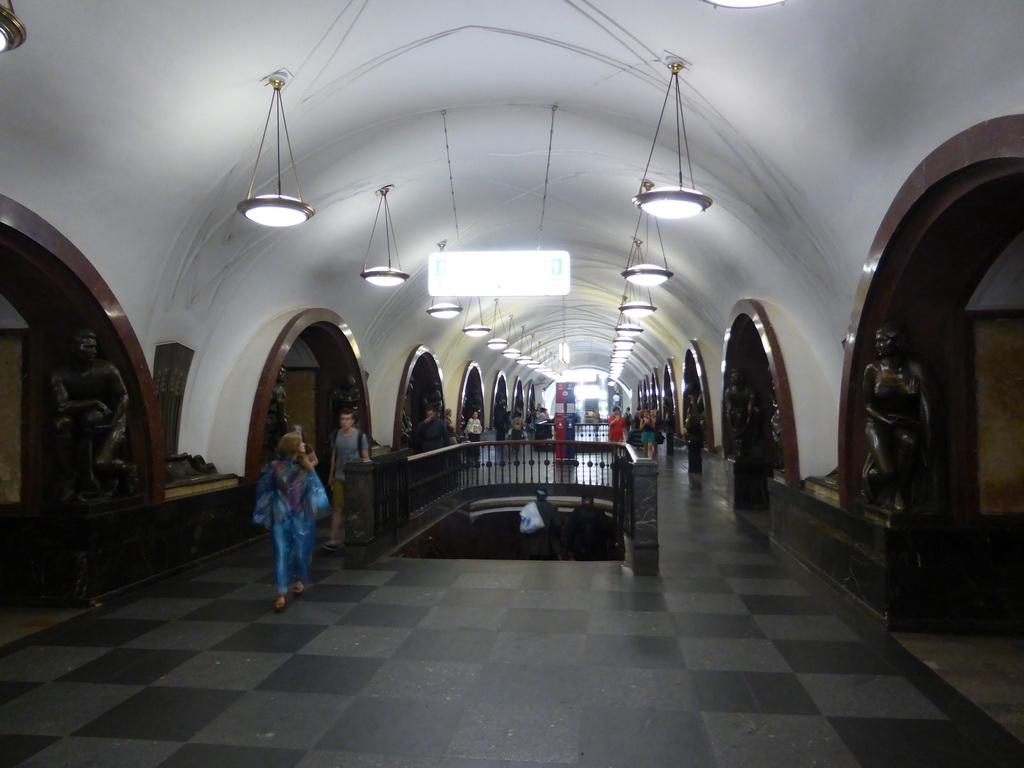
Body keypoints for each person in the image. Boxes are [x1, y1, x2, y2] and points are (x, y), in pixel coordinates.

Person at [51, 328, 138, 501]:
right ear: (74, 348)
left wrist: (112, 420)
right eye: (88, 347)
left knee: (101, 463)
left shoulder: (106, 369)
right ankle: (69, 477)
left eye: (94, 347)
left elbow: (123, 396)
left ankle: (128, 469)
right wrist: (93, 402)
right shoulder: (60, 374)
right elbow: (61, 405)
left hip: (110, 417)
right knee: (60, 424)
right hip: (82, 417)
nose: (94, 351)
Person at [862, 322, 940, 513]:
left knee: (911, 442)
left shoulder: (914, 369)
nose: (877, 345)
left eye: (882, 341)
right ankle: (869, 478)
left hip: (904, 424)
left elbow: (928, 403)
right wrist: (887, 420)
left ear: (896, 342)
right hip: (879, 423)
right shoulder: (873, 369)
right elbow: (868, 405)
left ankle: (901, 492)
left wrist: (911, 396)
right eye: (877, 341)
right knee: (887, 472)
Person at [253, 431, 329, 613]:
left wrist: (316, 506)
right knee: (281, 552)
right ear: (293, 446)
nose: (304, 445)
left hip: (302, 517)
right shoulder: (276, 467)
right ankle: (281, 593)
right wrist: (264, 515)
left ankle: (299, 577)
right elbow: (264, 490)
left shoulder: (306, 467)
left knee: (301, 551)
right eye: (301, 443)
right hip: (280, 515)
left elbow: (316, 488)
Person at [322, 409, 370, 552]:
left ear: (353, 421)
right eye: (342, 419)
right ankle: (334, 538)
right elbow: (334, 456)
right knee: (337, 507)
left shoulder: (360, 436)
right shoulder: (336, 435)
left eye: (347, 419)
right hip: (339, 475)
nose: (344, 422)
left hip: (355, 477)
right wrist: (331, 475)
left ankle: (356, 535)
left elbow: (365, 457)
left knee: (354, 507)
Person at [519, 487, 562, 560]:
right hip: (548, 545)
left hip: (532, 546)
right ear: (546, 495)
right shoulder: (552, 507)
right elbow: (557, 525)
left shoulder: (529, 507)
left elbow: (525, 525)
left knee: (533, 568)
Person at [724, 368, 759, 458]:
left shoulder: (749, 391)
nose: (732, 379)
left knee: (755, 412)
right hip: (735, 413)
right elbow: (728, 408)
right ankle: (738, 443)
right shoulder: (729, 391)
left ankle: (752, 443)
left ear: (741, 378)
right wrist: (731, 424)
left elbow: (750, 408)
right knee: (738, 416)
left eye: (734, 377)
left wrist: (747, 422)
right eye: (731, 377)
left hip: (745, 414)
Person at [567, 494, 610, 561]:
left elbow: (571, 530)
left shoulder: (576, 511)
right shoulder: (599, 511)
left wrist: (569, 547)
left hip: (580, 546)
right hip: (596, 547)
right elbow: (605, 529)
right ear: (592, 501)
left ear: (582, 501)